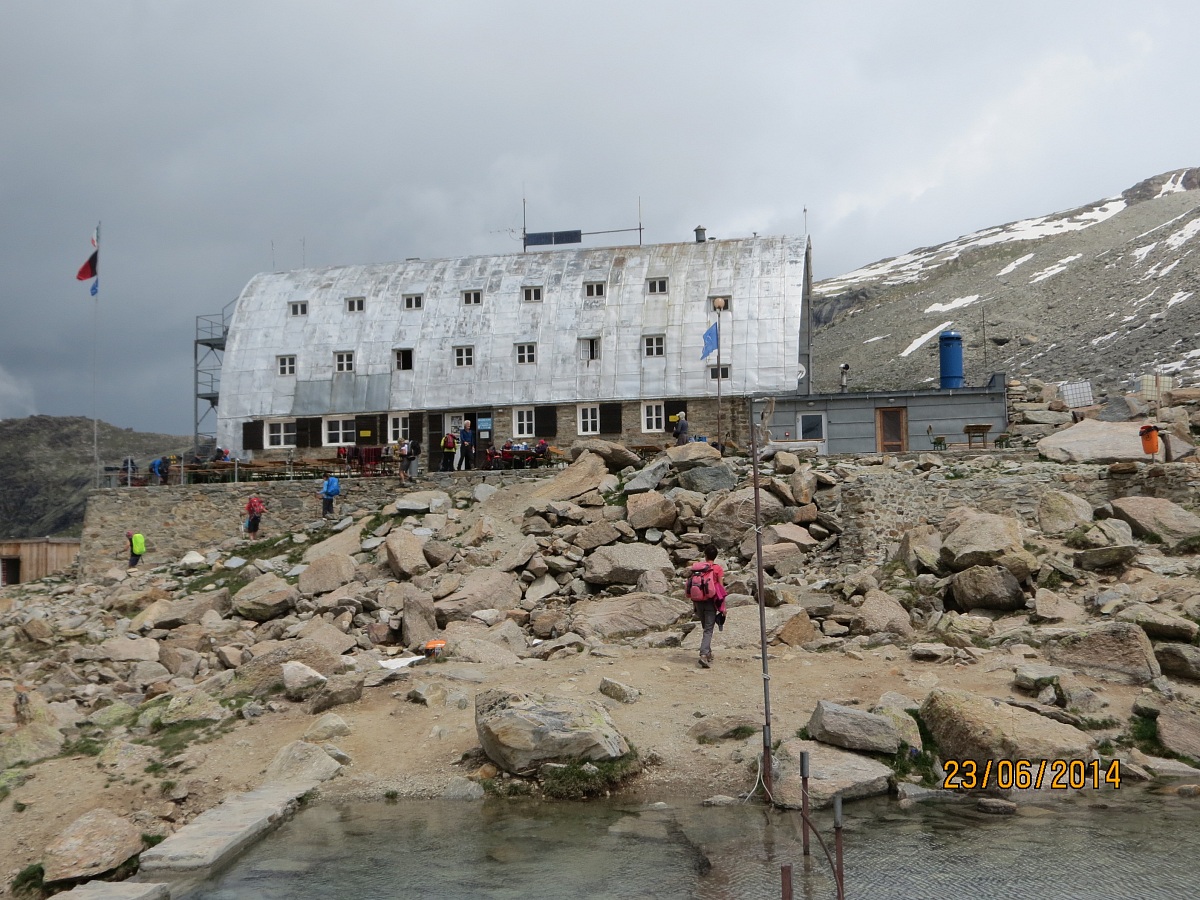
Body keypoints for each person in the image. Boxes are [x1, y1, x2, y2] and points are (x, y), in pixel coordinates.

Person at [688, 544, 726, 668]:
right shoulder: (717, 569)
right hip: (710, 602)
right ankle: (704, 655)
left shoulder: (698, 569)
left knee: (706, 627)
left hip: (698, 601)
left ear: (705, 555)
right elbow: (720, 589)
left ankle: (708, 653)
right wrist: (723, 607)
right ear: (715, 556)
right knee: (708, 629)